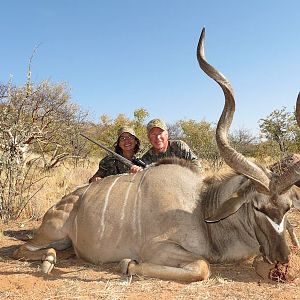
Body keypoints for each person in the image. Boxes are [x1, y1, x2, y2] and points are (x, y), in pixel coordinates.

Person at [131, 118, 201, 173]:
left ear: (167, 134)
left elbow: (197, 166)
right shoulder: (146, 159)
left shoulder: (179, 146)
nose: (157, 137)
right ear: (149, 137)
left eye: (160, 133)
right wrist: (136, 172)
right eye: (153, 134)